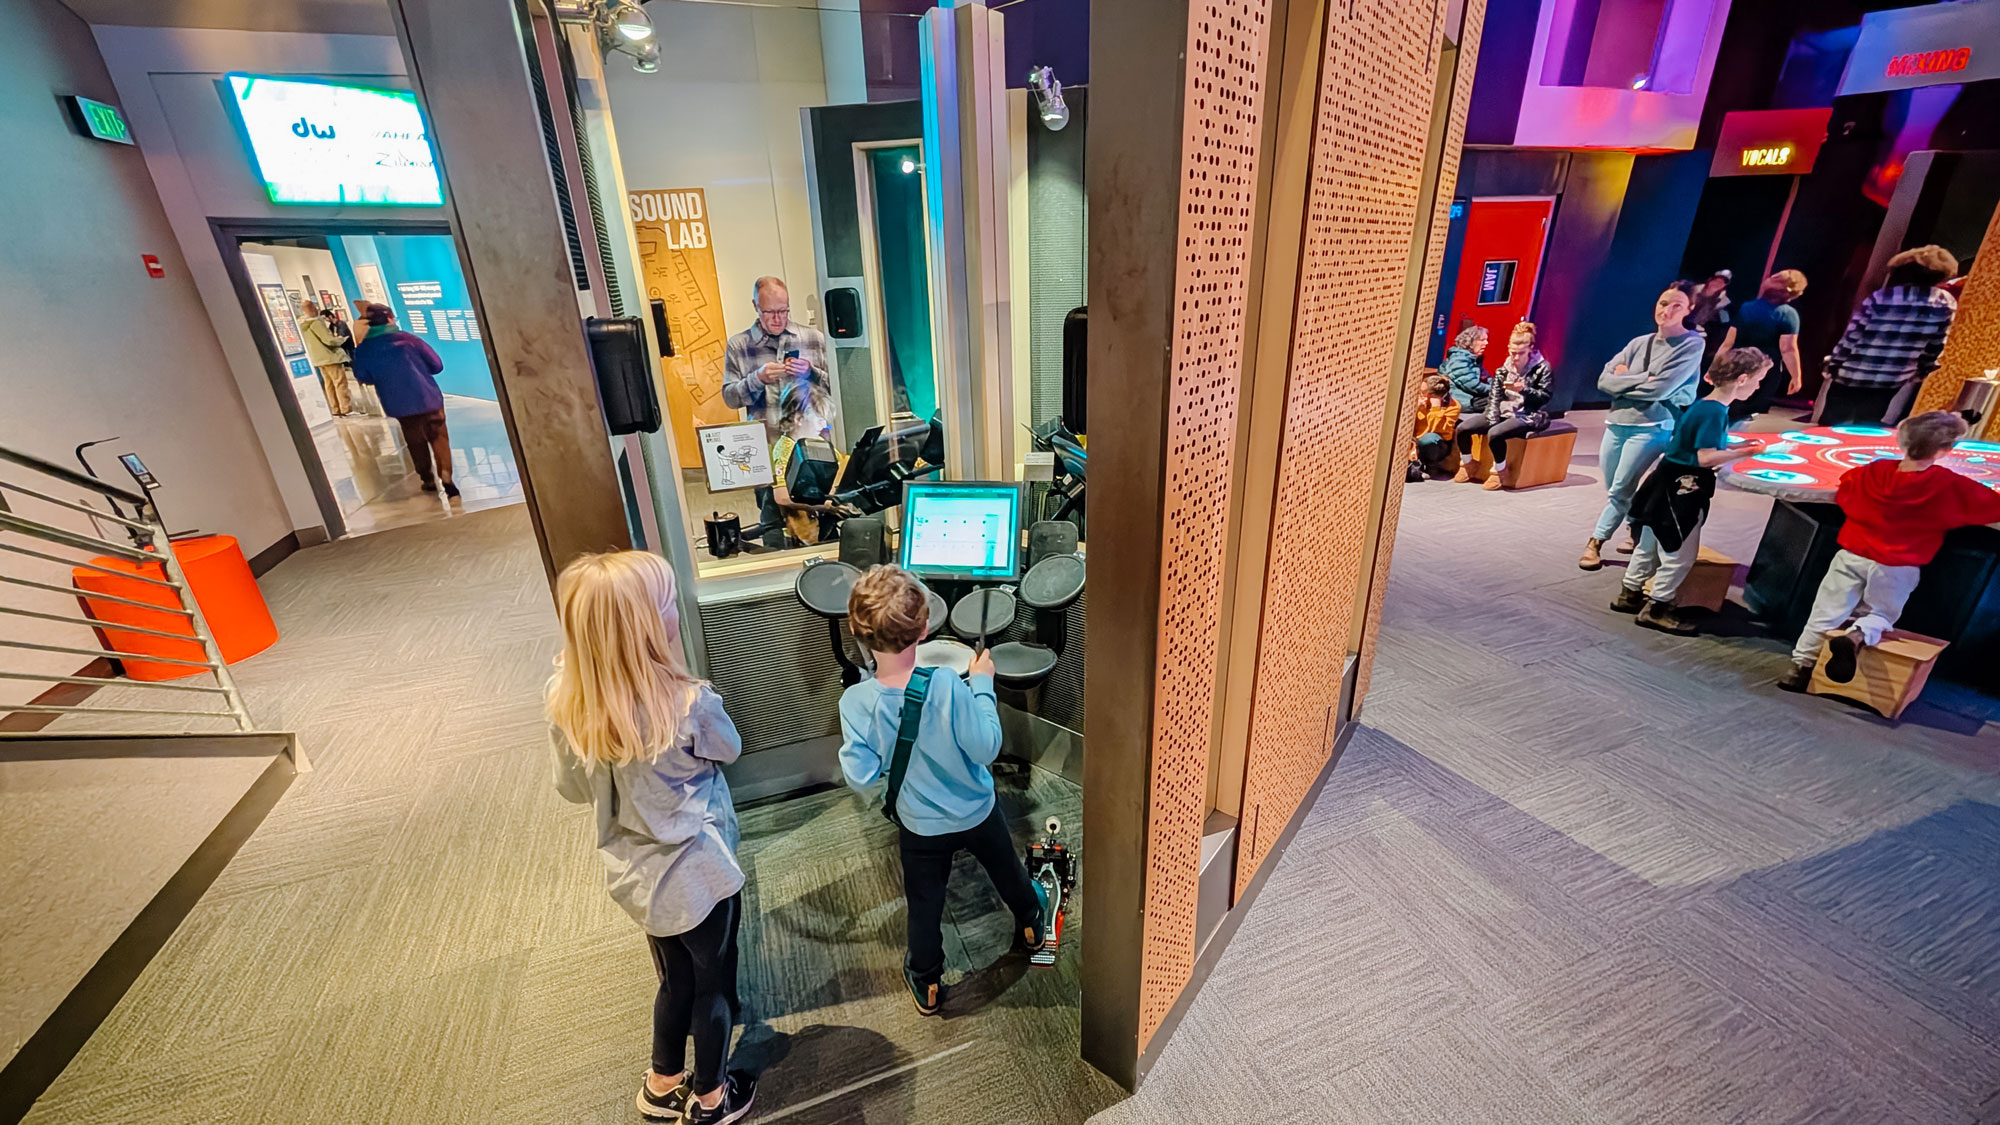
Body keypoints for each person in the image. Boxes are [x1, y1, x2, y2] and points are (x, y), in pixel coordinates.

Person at [546, 551, 757, 1125]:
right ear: (646, 628)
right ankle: (712, 1096)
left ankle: (662, 1082)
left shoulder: (571, 707)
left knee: (673, 980)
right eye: (666, 604)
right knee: (714, 984)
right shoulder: (688, 702)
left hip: (637, 879)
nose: (674, 611)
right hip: (699, 873)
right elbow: (730, 750)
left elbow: (571, 789)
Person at [837, 565, 1049, 1017]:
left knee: (925, 904)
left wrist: (867, 727)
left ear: (856, 631)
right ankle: (1032, 924)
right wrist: (984, 686)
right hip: (976, 810)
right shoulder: (949, 685)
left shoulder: (856, 703)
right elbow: (985, 746)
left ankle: (928, 980)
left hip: (920, 825)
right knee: (1008, 871)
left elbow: (860, 776)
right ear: (925, 627)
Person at [1777, 412, 2000, 692]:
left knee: (1824, 612)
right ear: (1946, 450)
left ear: (1901, 440)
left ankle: (1799, 669)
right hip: (1897, 565)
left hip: (1852, 554)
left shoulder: (1874, 471)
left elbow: (1846, 488)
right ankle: (1857, 636)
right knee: (1881, 614)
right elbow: (1990, 505)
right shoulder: (1948, 484)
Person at [1609, 349, 1770, 634]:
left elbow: (1694, 445)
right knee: (1679, 552)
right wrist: (1746, 453)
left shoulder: (1704, 406)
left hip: (1663, 481)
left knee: (1649, 543)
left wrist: (1733, 448)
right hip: (1683, 489)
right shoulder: (1714, 412)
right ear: (1742, 379)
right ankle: (1657, 607)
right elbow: (1705, 458)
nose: (1759, 387)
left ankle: (1630, 593)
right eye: (1758, 380)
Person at [1580, 287, 1705, 570]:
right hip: (1617, 422)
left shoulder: (1692, 344)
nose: (1667, 310)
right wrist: (1644, 378)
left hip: (1653, 426)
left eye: (1677, 306)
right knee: (1615, 487)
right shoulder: (1639, 343)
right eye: (1663, 303)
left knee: (1620, 489)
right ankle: (1636, 528)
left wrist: (1628, 383)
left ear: (1689, 310)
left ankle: (1595, 542)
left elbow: (1663, 388)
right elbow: (1604, 381)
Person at [722, 277, 834, 548]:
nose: (778, 318)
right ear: (755, 307)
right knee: (772, 519)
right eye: (770, 312)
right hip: (767, 450)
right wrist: (756, 379)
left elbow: (838, 387)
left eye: (784, 311)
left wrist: (812, 372)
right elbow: (729, 398)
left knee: (822, 517)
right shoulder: (739, 345)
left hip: (811, 447)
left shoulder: (813, 338)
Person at [1819, 245, 1958, 427]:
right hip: (1894, 376)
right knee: (1867, 425)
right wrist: (1923, 369)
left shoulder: (1882, 297)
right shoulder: (1945, 302)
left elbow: (1853, 336)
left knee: (1831, 423)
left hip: (1853, 371)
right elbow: (1936, 343)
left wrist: (1834, 362)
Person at [350, 303, 458, 498]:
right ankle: (447, 478)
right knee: (439, 438)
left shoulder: (365, 349)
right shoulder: (410, 340)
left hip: (399, 404)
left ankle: (427, 478)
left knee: (415, 441)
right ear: (391, 318)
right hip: (429, 399)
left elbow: (364, 376)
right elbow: (437, 365)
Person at [1453, 321, 1552, 489]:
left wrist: (1525, 390)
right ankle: (1469, 463)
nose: (1516, 357)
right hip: (1504, 410)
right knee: (1463, 429)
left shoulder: (1542, 368)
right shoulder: (1503, 370)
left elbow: (1545, 397)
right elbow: (1494, 397)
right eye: (1513, 353)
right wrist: (1491, 417)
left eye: (1521, 353)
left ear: (1530, 349)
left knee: (1495, 434)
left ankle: (1500, 471)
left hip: (1528, 413)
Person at [1720, 270, 1808, 422]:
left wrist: (1717, 364)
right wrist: (1796, 376)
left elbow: (1729, 342)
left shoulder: (1747, 307)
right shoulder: (1788, 314)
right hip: (1765, 370)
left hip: (1737, 364)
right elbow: (1788, 349)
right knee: (1752, 412)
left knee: (1731, 405)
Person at [298, 300, 355, 416]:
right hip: (330, 357)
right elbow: (328, 340)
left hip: (318, 358)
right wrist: (340, 339)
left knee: (328, 384)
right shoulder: (316, 323)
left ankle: (335, 409)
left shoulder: (302, 325)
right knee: (340, 383)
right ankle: (346, 409)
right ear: (313, 309)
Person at [1408, 372, 1461, 481]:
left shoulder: (1453, 406)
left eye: (1423, 392)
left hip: (1437, 443)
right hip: (1415, 440)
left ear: (1433, 396)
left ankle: (1430, 467)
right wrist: (1415, 409)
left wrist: (1435, 409)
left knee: (1429, 439)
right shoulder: (1419, 401)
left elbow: (1434, 430)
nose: (1421, 395)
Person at [1439, 325, 1490, 409]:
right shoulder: (1458, 359)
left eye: (1486, 340)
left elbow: (1487, 378)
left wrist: (1499, 385)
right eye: (1482, 340)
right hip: (1463, 401)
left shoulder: (1474, 359)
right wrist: (1496, 390)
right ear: (1470, 341)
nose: (1486, 343)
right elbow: (1472, 385)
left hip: (1473, 398)